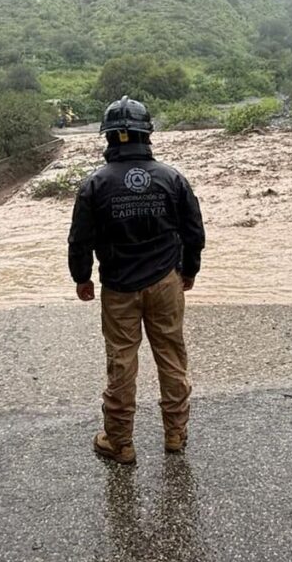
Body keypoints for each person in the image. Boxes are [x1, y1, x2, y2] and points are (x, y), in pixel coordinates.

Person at [68, 95, 205, 465]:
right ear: (148, 134)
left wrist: (81, 278)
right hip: (166, 283)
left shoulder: (94, 185)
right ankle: (175, 433)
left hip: (118, 287)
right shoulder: (173, 179)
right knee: (171, 356)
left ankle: (120, 442)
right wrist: (188, 272)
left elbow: (80, 240)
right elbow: (194, 233)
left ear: (109, 138)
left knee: (122, 362)